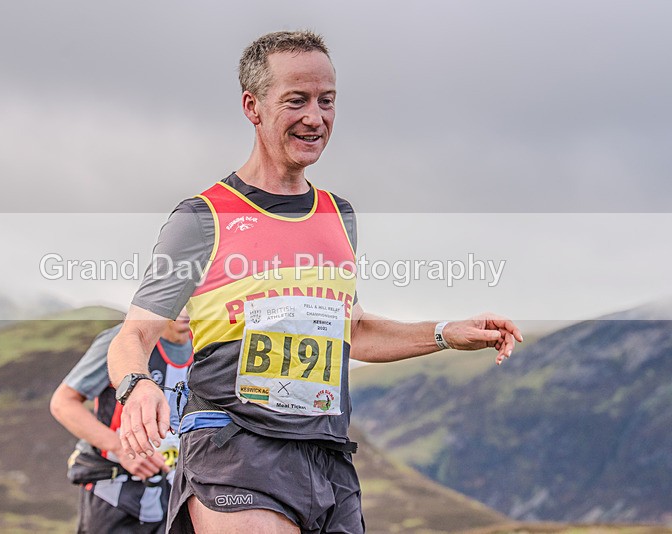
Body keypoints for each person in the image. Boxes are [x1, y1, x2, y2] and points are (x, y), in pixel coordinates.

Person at [107, 30, 523, 534]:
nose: (315, 117)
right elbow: (134, 336)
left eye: (327, 101)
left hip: (327, 458)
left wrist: (444, 333)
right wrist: (137, 386)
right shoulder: (203, 218)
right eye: (296, 101)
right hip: (234, 449)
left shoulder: (338, 215)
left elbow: (354, 330)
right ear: (253, 106)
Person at [51, 313, 193, 534]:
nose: (185, 311)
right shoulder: (123, 341)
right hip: (114, 493)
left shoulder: (207, 343)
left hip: (173, 495)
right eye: (181, 300)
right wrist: (119, 448)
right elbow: (63, 403)